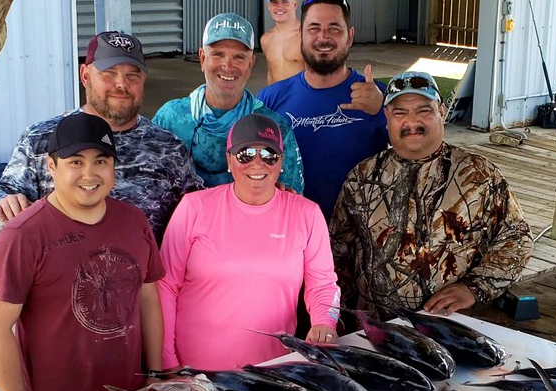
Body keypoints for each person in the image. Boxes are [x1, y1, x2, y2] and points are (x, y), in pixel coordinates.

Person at [0, 113, 165, 391]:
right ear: (51, 166)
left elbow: (147, 297)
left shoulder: (134, 221)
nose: (89, 174)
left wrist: (154, 373)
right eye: (75, 162)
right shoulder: (23, 236)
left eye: (101, 160)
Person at [330, 71, 534, 323]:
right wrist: (337, 320)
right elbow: (338, 251)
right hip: (373, 327)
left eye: (424, 110)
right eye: (400, 113)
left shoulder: (477, 175)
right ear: (387, 119)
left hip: (452, 325)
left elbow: (516, 238)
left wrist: (473, 287)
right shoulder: (362, 176)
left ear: (442, 111)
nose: (412, 121)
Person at [159, 113, 340, 371]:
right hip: (193, 373)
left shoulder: (306, 213)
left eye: (268, 155)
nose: (258, 164)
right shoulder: (194, 207)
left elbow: (323, 285)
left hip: (271, 372)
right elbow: (165, 286)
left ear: (280, 163)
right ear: (229, 161)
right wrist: (167, 363)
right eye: (245, 154)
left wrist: (325, 322)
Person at [0, 31, 202, 244]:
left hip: (145, 274)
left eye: (133, 75)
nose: (121, 84)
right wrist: (3, 205)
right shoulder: (41, 139)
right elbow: (4, 196)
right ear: (85, 76)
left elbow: (197, 213)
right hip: (57, 272)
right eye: (109, 73)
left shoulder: (168, 148)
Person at [257, 0, 389, 220]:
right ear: (301, 35)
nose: (323, 37)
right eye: (314, 28)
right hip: (292, 234)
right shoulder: (271, 99)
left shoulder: (377, 96)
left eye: (334, 29)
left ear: (350, 36)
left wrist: (383, 109)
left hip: (361, 236)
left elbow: (420, 150)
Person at [153, 13, 304, 193]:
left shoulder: (275, 127)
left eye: (239, 57)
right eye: (218, 54)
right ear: (202, 58)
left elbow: (292, 199)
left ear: (251, 64)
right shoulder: (169, 119)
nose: (228, 65)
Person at [261, 0, 305, 85]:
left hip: (301, 97)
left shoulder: (306, 37)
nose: (279, 7)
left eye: (285, 2)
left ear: (294, 5)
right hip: (276, 97)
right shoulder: (266, 39)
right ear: (269, 6)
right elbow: (271, 73)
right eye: (275, 3)